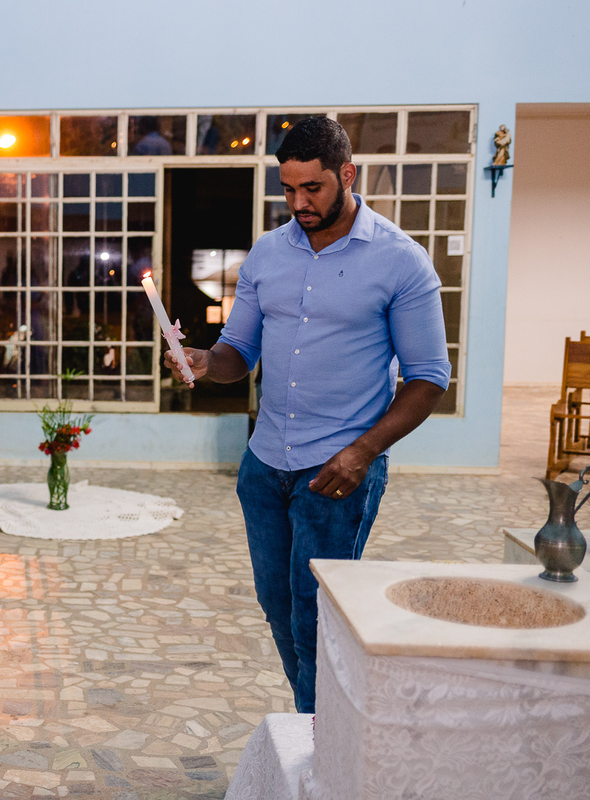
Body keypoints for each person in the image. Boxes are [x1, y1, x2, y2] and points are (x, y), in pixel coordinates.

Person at [164, 117, 450, 713]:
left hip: (337, 471)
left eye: (312, 188)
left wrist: (363, 453)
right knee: (278, 605)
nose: (299, 203)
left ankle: (326, 742)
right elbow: (237, 355)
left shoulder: (401, 260)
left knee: (316, 617)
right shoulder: (268, 254)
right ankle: (319, 725)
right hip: (264, 466)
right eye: (288, 190)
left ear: (347, 174)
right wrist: (201, 360)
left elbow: (428, 380)